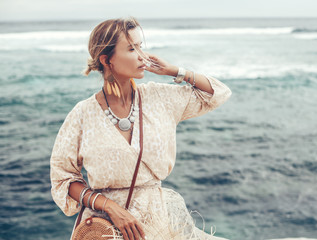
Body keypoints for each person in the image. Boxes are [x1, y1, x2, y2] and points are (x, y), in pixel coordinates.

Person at [50, 17, 232, 240]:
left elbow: (217, 93)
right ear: (107, 60)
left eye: (140, 47)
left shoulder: (159, 98)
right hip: (106, 230)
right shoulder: (82, 114)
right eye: (131, 48)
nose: (141, 56)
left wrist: (175, 71)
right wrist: (109, 207)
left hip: (157, 224)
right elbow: (63, 178)